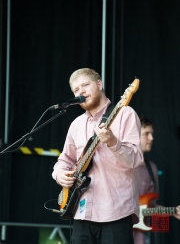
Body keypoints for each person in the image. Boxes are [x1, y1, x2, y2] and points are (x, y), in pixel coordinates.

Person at [52, 68, 144, 244]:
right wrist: (59, 175)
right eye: (76, 90)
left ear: (99, 84)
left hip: (116, 212)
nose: (81, 91)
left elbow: (135, 160)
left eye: (85, 85)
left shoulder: (125, 114)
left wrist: (112, 142)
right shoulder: (76, 125)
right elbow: (64, 161)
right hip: (81, 212)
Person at [133, 116, 180, 244]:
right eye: (146, 134)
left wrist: (173, 211)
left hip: (142, 238)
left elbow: (151, 206)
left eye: (152, 134)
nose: (151, 138)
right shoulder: (121, 166)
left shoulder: (152, 168)